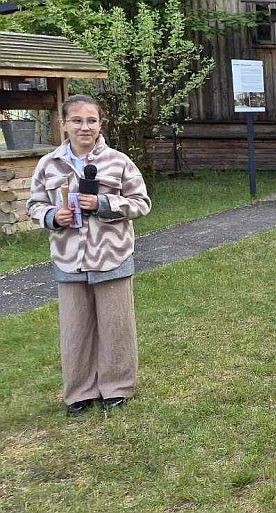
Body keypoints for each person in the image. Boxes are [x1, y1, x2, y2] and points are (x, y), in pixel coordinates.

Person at [26, 94, 151, 416]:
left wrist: (104, 204)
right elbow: (34, 205)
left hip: (112, 256)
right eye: (77, 120)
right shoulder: (49, 165)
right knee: (75, 329)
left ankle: (117, 388)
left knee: (116, 326)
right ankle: (79, 391)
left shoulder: (118, 162)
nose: (85, 127)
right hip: (68, 258)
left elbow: (141, 203)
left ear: (100, 124)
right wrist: (53, 216)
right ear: (63, 124)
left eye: (92, 120)